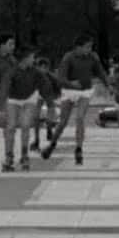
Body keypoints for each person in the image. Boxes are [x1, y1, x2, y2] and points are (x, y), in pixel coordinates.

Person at [42, 34, 110, 165]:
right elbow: (60, 79)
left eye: (91, 47)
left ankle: (79, 149)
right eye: (87, 47)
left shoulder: (93, 57)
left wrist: (108, 85)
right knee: (63, 122)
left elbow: (100, 72)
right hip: (69, 91)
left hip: (85, 91)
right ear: (78, 48)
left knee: (79, 118)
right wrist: (72, 84)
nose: (89, 50)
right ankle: (52, 144)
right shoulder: (68, 58)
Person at [0, 45, 48, 172]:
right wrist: (1, 104)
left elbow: (46, 83)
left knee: (25, 125)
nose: (34, 60)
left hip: (29, 99)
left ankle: (25, 155)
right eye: (32, 57)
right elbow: (4, 87)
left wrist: (51, 102)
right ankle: (9, 156)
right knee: (11, 127)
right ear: (25, 59)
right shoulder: (12, 71)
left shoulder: (35, 71)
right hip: (13, 99)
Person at [31, 57, 60, 152]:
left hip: (48, 93)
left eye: (45, 68)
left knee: (50, 112)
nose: (43, 69)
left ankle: (48, 128)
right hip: (39, 95)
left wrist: (55, 97)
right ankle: (37, 139)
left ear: (47, 68)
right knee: (35, 117)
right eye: (41, 67)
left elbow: (58, 88)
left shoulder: (51, 77)